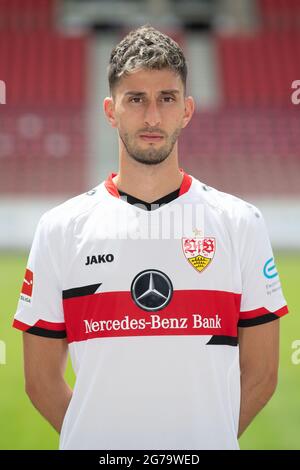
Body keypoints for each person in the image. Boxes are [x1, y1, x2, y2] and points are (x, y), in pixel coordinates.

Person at [13, 25, 288, 450]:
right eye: (136, 99)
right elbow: (40, 380)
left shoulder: (240, 223)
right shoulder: (60, 229)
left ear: (188, 110)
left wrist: (198, 445)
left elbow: (263, 373)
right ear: (110, 110)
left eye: (167, 99)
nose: (153, 117)